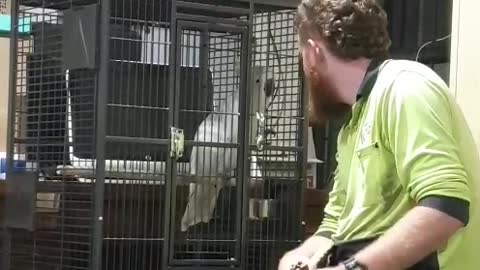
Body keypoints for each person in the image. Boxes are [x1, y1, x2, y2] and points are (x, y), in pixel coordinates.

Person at [279, 0, 480, 270]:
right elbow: (334, 224)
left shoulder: (405, 87)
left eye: (300, 55)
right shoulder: (354, 121)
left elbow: (445, 207)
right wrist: (299, 257)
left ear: (313, 53)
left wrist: (352, 268)